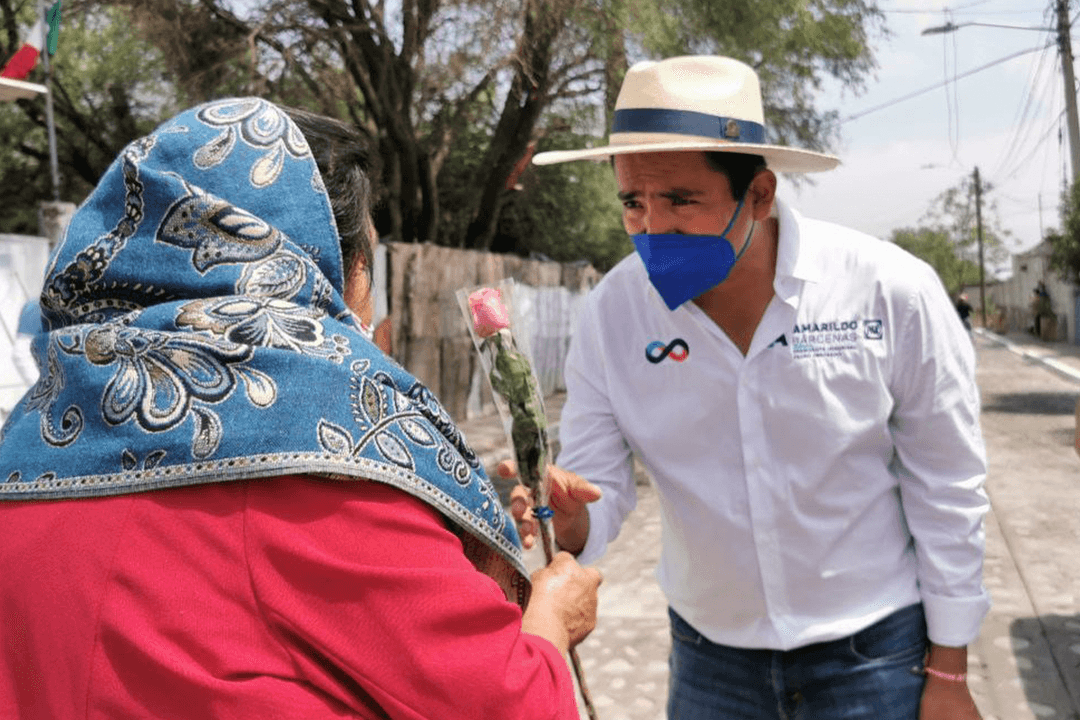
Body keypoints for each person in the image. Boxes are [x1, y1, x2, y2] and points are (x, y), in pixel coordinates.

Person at [0, 98, 601, 719]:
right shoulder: (323, 467)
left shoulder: (28, 442)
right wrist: (552, 623)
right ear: (325, 268)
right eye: (367, 261)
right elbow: (513, 704)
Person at [512, 56, 989, 719]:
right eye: (632, 201)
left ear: (759, 195)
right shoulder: (613, 314)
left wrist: (951, 671)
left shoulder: (886, 291)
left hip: (875, 661)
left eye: (680, 200)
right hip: (713, 669)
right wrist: (570, 513)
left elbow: (948, 483)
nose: (652, 227)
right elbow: (597, 479)